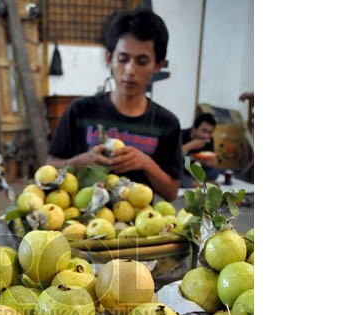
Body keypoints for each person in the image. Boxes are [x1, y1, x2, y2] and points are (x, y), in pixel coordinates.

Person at [45, 8, 183, 202]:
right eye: (123, 59)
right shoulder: (80, 111)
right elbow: (50, 167)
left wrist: (146, 163)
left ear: (158, 65)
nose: (130, 70)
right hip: (82, 224)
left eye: (142, 62)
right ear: (109, 58)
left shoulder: (166, 124)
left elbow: (171, 192)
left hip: (139, 226)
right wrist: (81, 161)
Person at [181, 112, 220, 182]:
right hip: (181, 168)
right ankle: (195, 182)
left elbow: (210, 161)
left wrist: (208, 163)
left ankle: (192, 182)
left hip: (195, 169)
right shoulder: (181, 135)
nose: (206, 136)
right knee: (173, 175)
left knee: (214, 173)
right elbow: (172, 159)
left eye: (210, 132)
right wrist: (190, 146)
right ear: (195, 128)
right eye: (204, 131)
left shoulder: (209, 140)